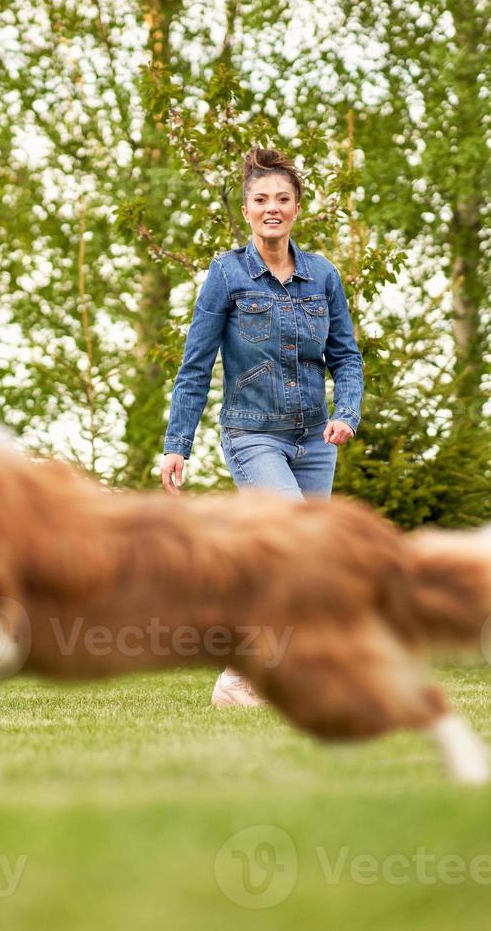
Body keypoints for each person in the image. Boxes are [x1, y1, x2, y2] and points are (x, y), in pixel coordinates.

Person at [159, 147, 364, 708]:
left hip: (315, 438)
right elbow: (196, 366)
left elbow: (346, 357)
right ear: (246, 210)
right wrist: (177, 446)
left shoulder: (322, 275)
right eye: (260, 200)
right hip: (253, 434)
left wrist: (347, 412)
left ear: (297, 208)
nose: (271, 208)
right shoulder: (225, 275)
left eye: (282, 199)